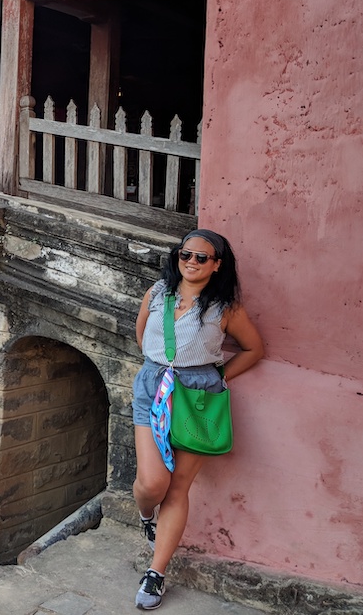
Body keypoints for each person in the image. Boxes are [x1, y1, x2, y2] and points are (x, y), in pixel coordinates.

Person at [131, 229, 264, 610]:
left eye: (201, 257)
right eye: (185, 254)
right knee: (152, 483)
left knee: (177, 488)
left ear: (217, 264)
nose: (191, 261)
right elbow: (143, 338)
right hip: (154, 388)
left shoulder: (225, 308)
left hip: (200, 396)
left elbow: (255, 348)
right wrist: (162, 368)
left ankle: (155, 573)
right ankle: (145, 514)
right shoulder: (158, 293)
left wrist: (219, 377)